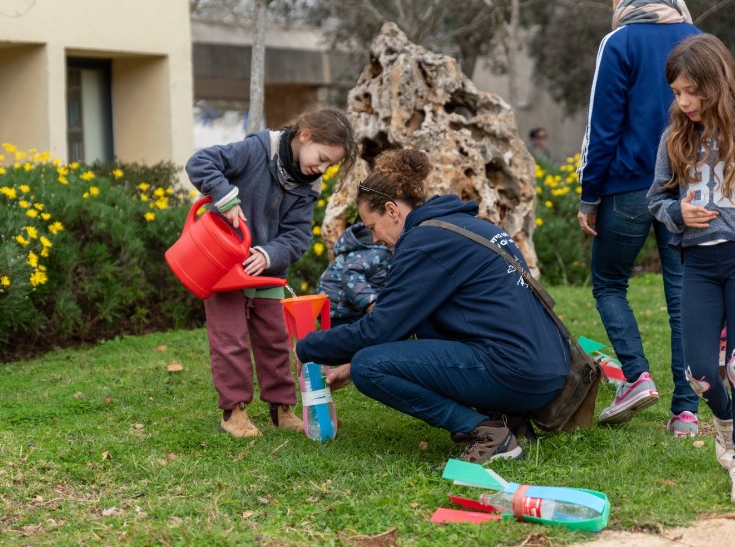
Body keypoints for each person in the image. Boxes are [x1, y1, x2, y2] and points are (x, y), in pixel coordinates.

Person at [295, 149, 570, 463]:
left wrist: (308, 348)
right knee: (373, 359)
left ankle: (488, 434)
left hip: (517, 371)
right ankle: (510, 416)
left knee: (368, 366)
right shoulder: (467, 227)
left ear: (391, 210)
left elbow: (377, 330)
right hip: (547, 369)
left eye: (372, 227)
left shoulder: (424, 243)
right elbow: (410, 319)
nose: (375, 239)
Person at [576, 0, 701, 434]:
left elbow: (601, 127)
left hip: (627, 187)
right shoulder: (699, 38)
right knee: (682, 297)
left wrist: (589, 195)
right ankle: (686, 412)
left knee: (609, 283)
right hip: (688, 190)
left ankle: (636, 378)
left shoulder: (619, 41)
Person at [186, 108, 358, 438]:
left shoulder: (308, 186)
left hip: (266, 271)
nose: (321, 168)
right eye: (321, 158)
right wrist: (224, 196)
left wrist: (270, 254)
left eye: (328, 165)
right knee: (230, 340)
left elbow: (297, 236)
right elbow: (200, 163)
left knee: (275, 340)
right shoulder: (256, 150)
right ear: (305, 135)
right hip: (223, 266)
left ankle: (281, 408)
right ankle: (232, 412)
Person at [647, 34, 735, 503]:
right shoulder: (675, 138)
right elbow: (656, 199)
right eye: (677, 92)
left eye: (693, 90)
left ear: (718, 83)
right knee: (699, 373)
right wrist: (677, 215)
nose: (684, 101)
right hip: (698, 264)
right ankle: (726, 423)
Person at [316, 221, 392, 325]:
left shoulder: (373, 249)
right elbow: (351, 275)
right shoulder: (375, 252)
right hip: (339, 311)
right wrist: (370, 303)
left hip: (341, 309)